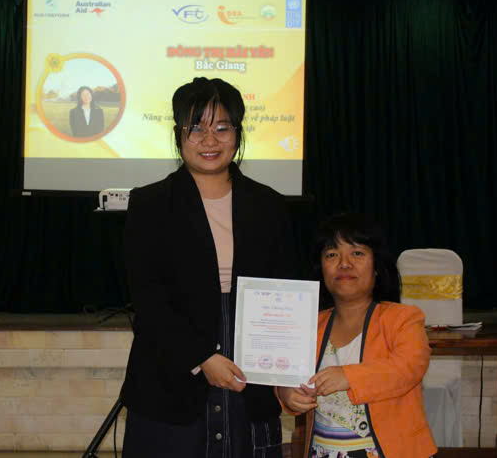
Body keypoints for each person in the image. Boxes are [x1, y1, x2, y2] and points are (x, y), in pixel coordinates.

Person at [120, 77, 298, 458]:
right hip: (170, 381)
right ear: (178, 135)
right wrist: (200, 357)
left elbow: (286, 293)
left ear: (238, 133)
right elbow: (148, 298)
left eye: (222, 128)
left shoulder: (270, 205)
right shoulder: (150, 204)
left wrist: (285, 376)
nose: (209, 140)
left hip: (251, 378)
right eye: (196, 128)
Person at [277, 213, 436, 458]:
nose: (344, 264)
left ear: (377, 267)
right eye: (332, 254)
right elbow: (286, 375)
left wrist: (348, 376)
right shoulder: (308, 324)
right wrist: (287, 394)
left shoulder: (403, 318)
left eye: (357, 253)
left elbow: (409, 367)